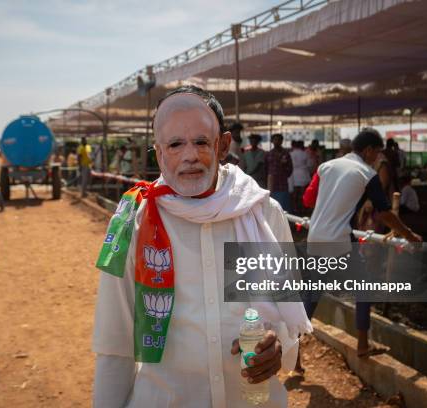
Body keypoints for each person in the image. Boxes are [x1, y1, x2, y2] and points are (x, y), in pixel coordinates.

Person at [92, 85, 311, 408]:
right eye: (176, 144)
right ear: (159, 152)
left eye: (201, 142)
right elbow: (115, 342)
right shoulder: (136, 222)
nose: (190, 155)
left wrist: (277, 345)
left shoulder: (261, 214)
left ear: (223, 145)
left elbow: (283, 310)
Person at [300, 128, 421, 368]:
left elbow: (311, 199)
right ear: (368, 150)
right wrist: (408, 234)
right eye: (377, 154)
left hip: (315, 236)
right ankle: (363, 344)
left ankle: (292, 354)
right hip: (339, 239)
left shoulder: (327, 166)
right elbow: (385, 213)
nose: (377, 159)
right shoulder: (366, 173)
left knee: (311, 296)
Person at [265, 133, 293, 212]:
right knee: (272, 207)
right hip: (271, 185)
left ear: (281, 141)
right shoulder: (269, 154)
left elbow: (290, 169)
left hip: (282, 185)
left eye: (279, 140)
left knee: (283, 207)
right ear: (272, 141)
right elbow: (265, 169)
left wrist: (283, 171)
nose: (277, 141)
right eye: (275, 140)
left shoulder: (286, 154)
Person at [289, 141, 312, 215]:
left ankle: (295, 208)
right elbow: (309, 164)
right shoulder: (305, 153)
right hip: (304, 174)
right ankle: (303, 208)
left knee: (295, 194)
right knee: (303, 194)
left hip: (294, 175)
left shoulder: (291, 154)